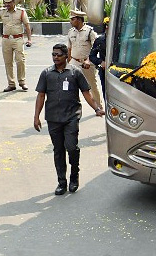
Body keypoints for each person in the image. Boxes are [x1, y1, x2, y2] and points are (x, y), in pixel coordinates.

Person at [33, 43, 105, 195]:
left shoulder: (75, 73)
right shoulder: (46, 74)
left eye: (59, 54)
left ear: (67, 56)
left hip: (71, 116)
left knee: (71, 147)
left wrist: (97, 108)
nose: (56, 57)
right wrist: (36, 117)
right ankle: (61, 182)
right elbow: (40, 96)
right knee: (58, 150)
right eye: (53, 54)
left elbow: (86, 93)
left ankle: (74, 175)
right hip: (53, 118)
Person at [66, 11, 104, 112]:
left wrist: (88, 60)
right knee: (70, 84)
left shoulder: (89, 32)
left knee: (91, 85)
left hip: (87, 63)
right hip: (74, 62)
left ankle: (98, 107)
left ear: (79, 19)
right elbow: (69, 48)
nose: (71, 21)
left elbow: (95, 48)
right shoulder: (70, 32)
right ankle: (72, 107)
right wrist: (68, 61)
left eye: (72, 19)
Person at [0, 0, 32, 92]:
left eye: (9, 3)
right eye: (5, 3)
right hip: (6, 39)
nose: (7, 5)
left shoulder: (21, 11)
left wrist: (29, 39)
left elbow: (27, 26)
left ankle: (22, 82)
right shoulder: (2, 11)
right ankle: (11, 84)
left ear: (13, 2)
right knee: (8, 62)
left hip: (18, 39)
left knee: (20, 60)